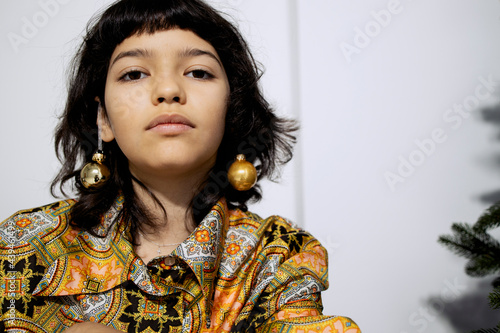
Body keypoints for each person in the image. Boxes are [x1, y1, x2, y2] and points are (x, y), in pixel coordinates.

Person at [0, 0, 360, 332]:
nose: (169, 89)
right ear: (103, 119)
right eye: (134, 73)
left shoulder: (278, 257)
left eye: (199, 72)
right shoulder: (20, 246)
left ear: (230, 112)